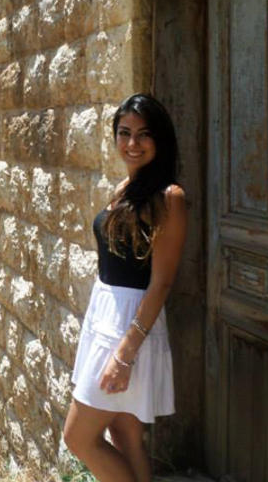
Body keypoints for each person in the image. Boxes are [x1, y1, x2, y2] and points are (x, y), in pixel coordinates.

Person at [63, 93, 187, 482]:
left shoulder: (169, 197)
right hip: (106, 316)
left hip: (130, 328)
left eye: (143, 134)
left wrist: (124, 354)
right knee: (126, 435)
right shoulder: (125, 188)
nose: (132, 144)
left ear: (160, 140)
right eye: (124, 133)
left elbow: (162, 281)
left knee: (78, 438)